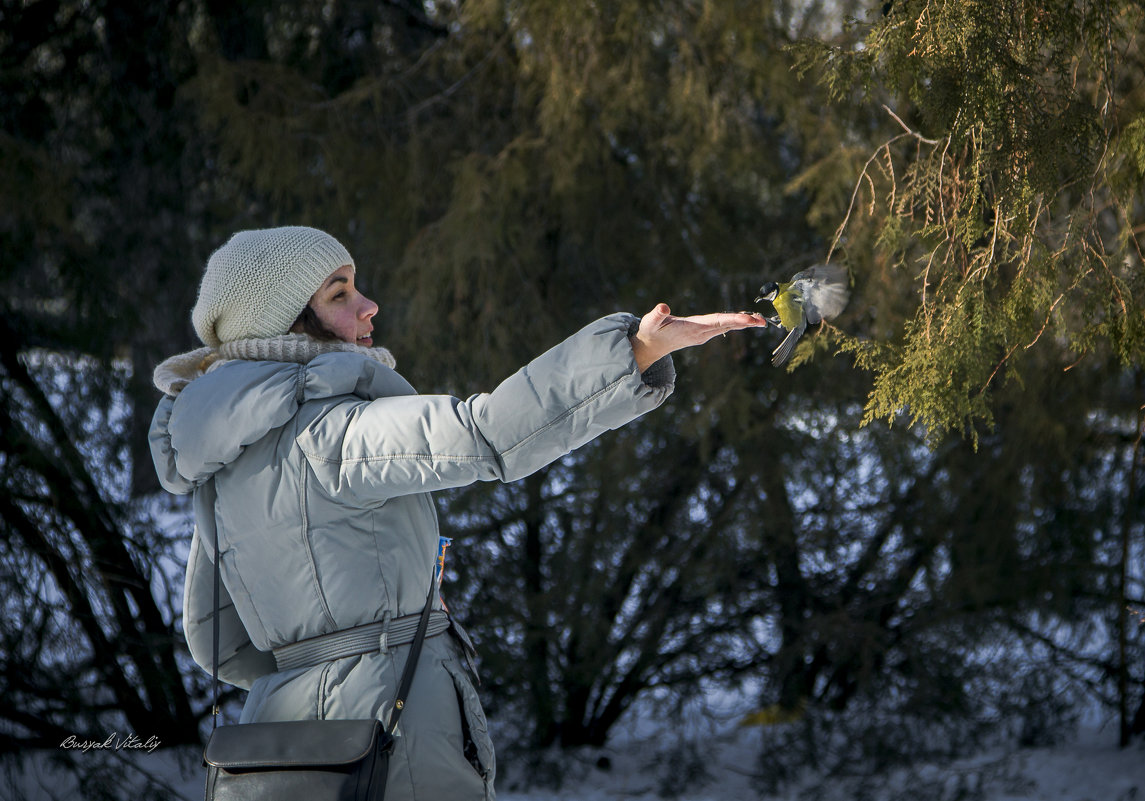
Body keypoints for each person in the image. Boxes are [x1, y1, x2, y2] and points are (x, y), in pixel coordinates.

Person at [149, 226, 768, 801]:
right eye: (340, 294)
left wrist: (313, 654)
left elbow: (221, 642)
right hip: (388, 725)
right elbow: (485, 432)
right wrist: (633, 350)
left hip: (277, 743)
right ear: (284, 321)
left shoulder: (219, 464)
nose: (369, 307)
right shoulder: (334, 431)